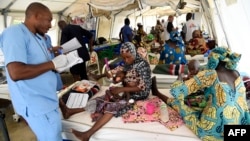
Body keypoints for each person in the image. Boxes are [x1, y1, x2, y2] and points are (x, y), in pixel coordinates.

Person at [0, 2, 71, 140]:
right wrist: (52, 64)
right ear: (36, 16)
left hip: (46, 99)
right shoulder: (15, 33)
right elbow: (16, 72)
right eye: (49, 20)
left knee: (53, 135)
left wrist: (57, 65)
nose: (50, 25)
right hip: (37, 104)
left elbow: (40, 65)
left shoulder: (37, 37)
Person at [152, 47, 250, 140]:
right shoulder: (236, 73)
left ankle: (157, 93)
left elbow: (177, 91)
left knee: (178, 103)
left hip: (215, 127)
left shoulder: (210, 74)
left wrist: (180, 78)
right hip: (238, 123)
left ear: (213, 60)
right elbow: (242, 102)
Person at [72, 42, 152, 141]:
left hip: (139, 93)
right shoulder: (128, 63)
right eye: (123, 58)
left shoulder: (143, 65)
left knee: (114, 105)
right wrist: (110, 74)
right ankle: (72, 111)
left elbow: (142, 87)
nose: (126, 60)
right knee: (101, 99)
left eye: (128, 57)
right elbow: (118, 71)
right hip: (127, 90)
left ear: (134, 53)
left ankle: (87, 134)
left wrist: (122, 89)